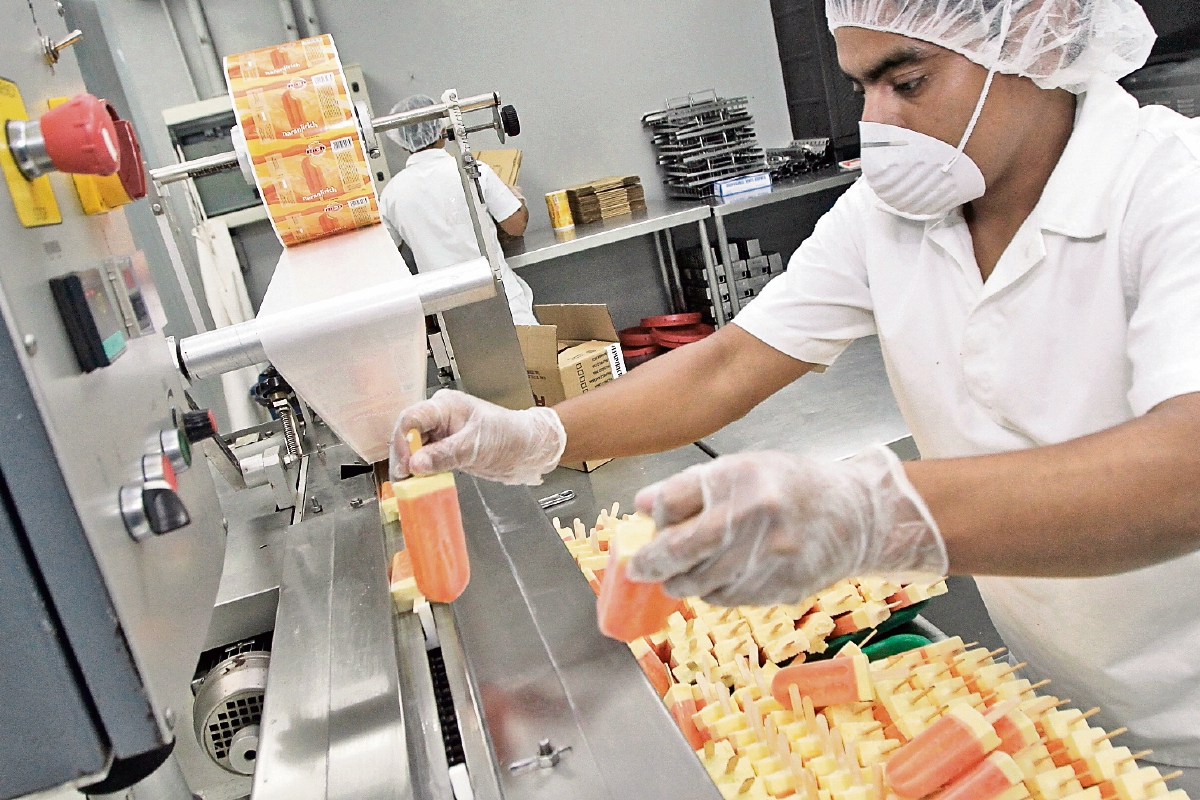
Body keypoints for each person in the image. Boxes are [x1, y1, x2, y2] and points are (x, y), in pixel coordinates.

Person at [390, 0, 1200, 771]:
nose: (874, 123)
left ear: (1041, 33)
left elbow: (1184, 472)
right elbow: (730, 361)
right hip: (1059, 703)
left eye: (907, 80)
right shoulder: (890, 218)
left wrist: (871, 514)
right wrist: (540, 434)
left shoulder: (1170, 189)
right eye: (859, 88)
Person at [379, 94, 538, 325]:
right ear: (442, 129)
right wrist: (515, 197)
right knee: (529, 358)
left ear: (402, 143)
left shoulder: (391, 194)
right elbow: (515, 226)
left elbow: (387, 259)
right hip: (503, 302)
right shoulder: (472, 170)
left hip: (452, 316)